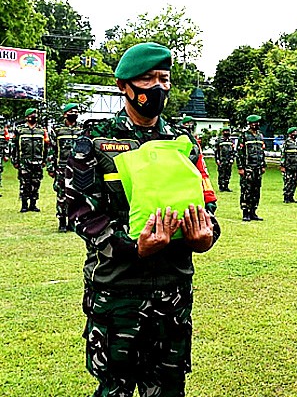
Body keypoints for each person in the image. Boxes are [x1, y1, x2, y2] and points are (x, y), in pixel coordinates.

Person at [65, 42, 220, 397]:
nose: (158, 87)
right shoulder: (95, 141)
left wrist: (206, 236)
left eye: (164, 78)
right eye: (147, 78)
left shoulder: (184, 143)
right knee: (115, 388)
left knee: (168, 389)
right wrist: (133, 246)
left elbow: (207, 206)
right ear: (124, 86)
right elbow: (80, 212)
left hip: (173, 293)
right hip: (118, 293)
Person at [47, 103, 83, 231]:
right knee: (62, 195)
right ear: (65, 114)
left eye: (76, 111)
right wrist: (50, 167)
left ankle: (73, 221)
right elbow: (51, 149)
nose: (74, 113)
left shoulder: (82, 129)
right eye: (71, 111)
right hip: (62, 167)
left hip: (78, 168)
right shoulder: (57, 130)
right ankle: (62, 221)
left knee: (77, 195)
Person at [11, 107, 48, 212]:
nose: (34, 117)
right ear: (27, 117)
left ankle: (33, 204)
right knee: (24, 183)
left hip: (38, 161)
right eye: (31, 115)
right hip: (24, 161)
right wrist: (15, 160)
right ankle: (24, 205)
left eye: (35, 115)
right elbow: (14, 146)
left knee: (36, 183)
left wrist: (45, 160)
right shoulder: (20, 130)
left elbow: (46, 147)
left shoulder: (41, 130)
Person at [236, 114, 266, 221]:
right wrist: (240, 167)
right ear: (249, 124)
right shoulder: (243, 136)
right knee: (246, 190)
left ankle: (253, 211)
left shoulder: (260, 136)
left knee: (256, 190)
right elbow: (239, 153)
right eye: (253, 123)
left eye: (257, 123)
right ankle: (245, 212)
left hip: (258, 167)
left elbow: (262, 152)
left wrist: (263, 165)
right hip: (248, 167)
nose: (255, 125)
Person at [280, 126, 297, 203]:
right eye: (293, 133)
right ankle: (286, 197)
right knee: (288, 182)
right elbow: (283, 155)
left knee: (294, 182)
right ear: (290, 134)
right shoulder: (286, 143)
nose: (295, 134)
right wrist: (282, 165)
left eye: (296, 132)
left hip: (296, 166)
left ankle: (291, 197)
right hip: (288, 166)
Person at [214, 127, 236, 192]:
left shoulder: (231, 141)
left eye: (228, 131)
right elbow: (216, 151)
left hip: (229, 160)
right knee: (221, 174)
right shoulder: (219, 140)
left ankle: (226, 186)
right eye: (225, 131)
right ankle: (221, 187)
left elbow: (233, 151)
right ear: (223, 132)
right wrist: (217, 159)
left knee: (228, 174)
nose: (226, 132)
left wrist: (232, 158)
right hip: (222, 160)